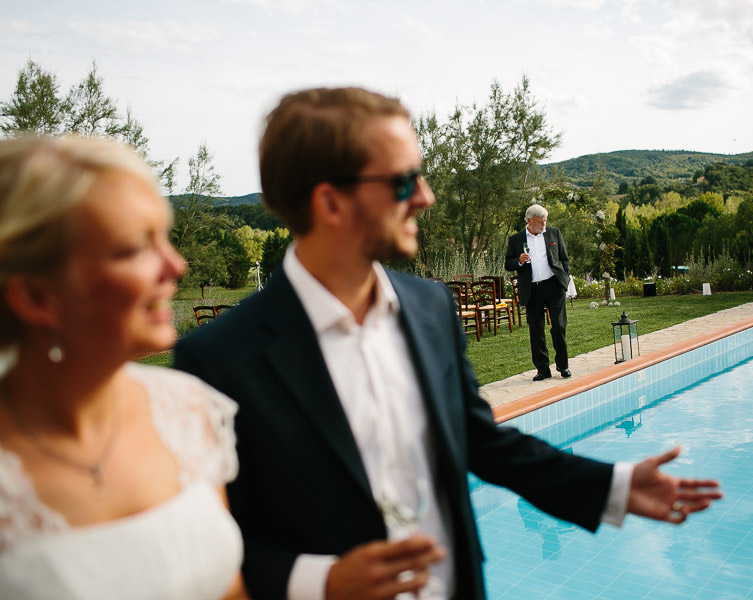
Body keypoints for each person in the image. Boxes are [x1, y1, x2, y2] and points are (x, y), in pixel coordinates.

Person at [174, 87, 722, 600]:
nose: (426, 197)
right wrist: (326, 581)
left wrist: (613, 487)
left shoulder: (430, 310)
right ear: (331, 202)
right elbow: (215, 552)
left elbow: (483, 443)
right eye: (403, 181)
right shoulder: (219, 361)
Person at [0, 136, 245, 599]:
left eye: (164, 238)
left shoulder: (187, 410)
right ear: (35, 297)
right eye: (135, 248)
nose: (176, 265)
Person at [505, 205, 571, 381]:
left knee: (558, 326)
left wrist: (565, 280)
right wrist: (518, 261)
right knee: (536, 330)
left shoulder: (553, 233)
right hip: (532, 289)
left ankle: (563, 366)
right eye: (540, 221)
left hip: (554, 286)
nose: (544, 224)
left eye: (545, 221)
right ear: (529, 221)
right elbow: (508, 263)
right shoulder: (516, 239)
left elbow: (564, 259)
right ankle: (542, 369)